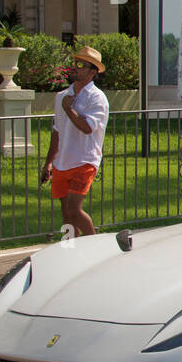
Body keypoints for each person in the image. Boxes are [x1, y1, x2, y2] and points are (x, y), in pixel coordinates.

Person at [40, 47, 109, 238]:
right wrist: (48, 162)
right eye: (75, 63)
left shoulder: (97, 98)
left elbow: (87, 128)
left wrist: (69, 109)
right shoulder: (62, 96)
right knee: (66, 214)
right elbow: (57, 132)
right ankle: (70, 249)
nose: (75, 68)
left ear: (92, 72)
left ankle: (95, 248)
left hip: (85, 160)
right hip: (63, 161)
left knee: (74, 209)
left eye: (81, 65)